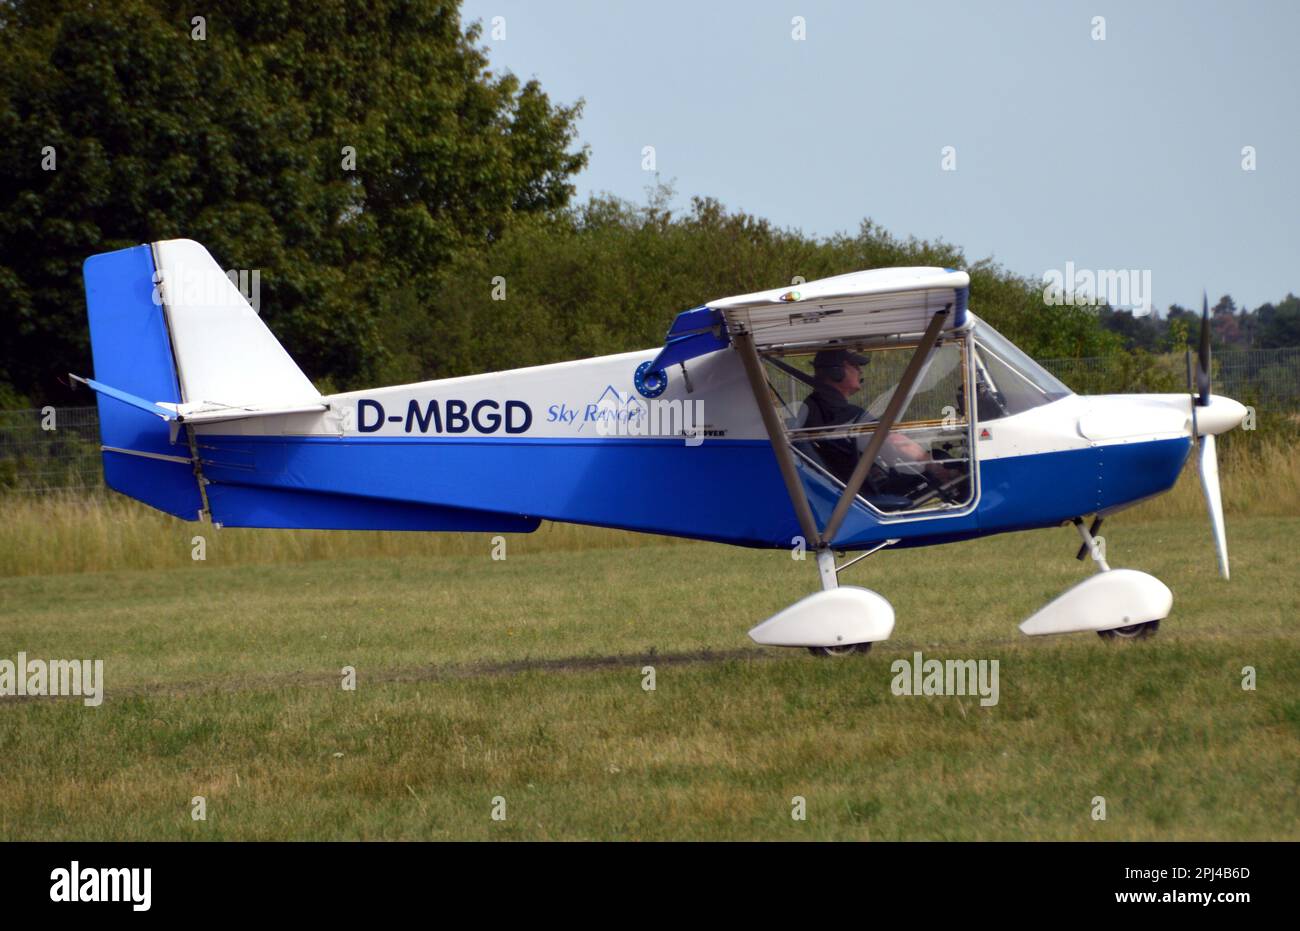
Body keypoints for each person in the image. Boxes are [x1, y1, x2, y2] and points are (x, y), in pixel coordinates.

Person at [793, 348, 957, 495]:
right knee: (941, 465)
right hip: (868, 491)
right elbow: (894, 441)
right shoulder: (842, 412)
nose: (860, 371)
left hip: (855, 486)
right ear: (836, 372)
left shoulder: (814, 406)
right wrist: (935, 468)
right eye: (854, 366)